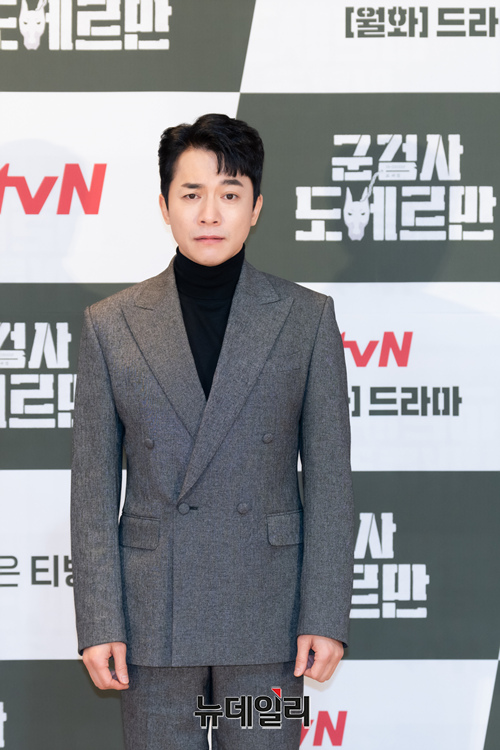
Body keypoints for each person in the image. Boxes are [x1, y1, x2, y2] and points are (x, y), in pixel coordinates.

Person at [71, 113, 354, 750]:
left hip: (267, 617)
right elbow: (91, 491)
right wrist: (99, 621)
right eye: (191, 194)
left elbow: (331, 483)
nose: (209, 213)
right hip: (151, 622)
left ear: (256, 208)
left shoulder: (306, 319)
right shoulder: (111, 325)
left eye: (229, 194)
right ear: (164, 206)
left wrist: (324, 614)